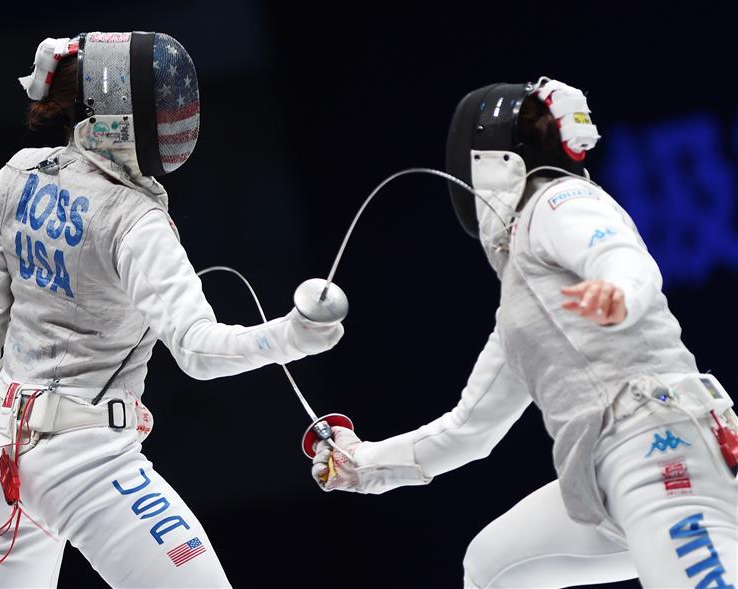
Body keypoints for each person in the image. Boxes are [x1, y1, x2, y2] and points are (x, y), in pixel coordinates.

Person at [0, 32, 344, 588]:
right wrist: (293, 336)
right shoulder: (135, 222)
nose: (179, 119)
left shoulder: (17, 176)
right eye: (166, 106)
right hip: (88, 464)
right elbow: (198, 351)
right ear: (123, 115)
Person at [310, 78, 738, 588]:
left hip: (661, 449)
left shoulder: (558, 201)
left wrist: (618, 291)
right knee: (493, 567)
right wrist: (362, 463)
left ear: (494, 163)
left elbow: (620, 255)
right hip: (606, 480)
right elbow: (466, 431)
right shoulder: (522, 307)